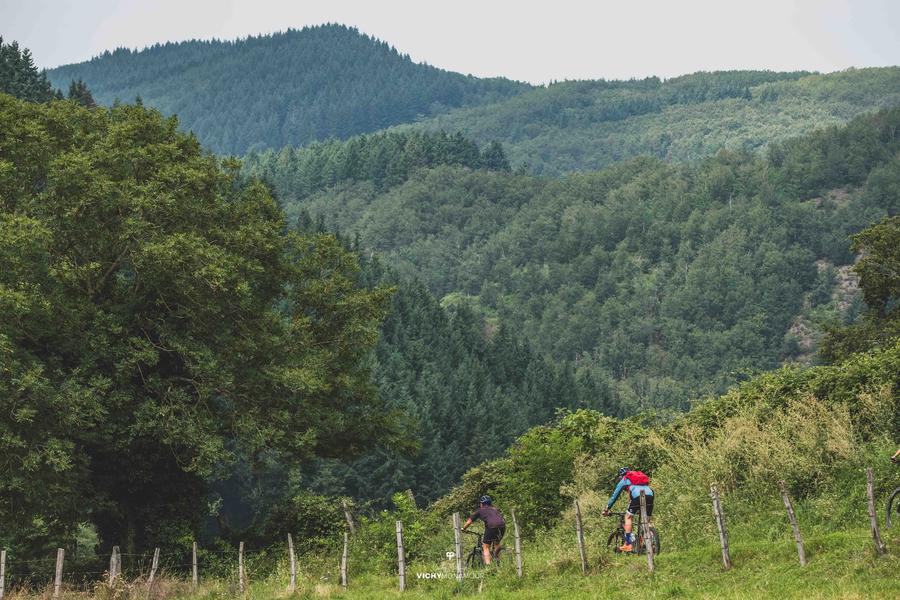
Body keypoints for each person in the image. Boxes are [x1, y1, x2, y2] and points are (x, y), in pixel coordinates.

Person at [602, 467, 654, 553]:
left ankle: (628, 544)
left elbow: (614, 496)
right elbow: (631, 498)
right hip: (650, 495)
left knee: (628, 517)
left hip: (638, 497)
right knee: (647, 522)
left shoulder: (625, 479)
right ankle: (651, 541)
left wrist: (607, 509)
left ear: (621, 476)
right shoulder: (638, 479)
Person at [462, 495, 506, 564]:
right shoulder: (495, 509)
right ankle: (498, 563)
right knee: (496, 543)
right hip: (502, 526)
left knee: (485, 547)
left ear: (481, 504)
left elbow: (469, 522)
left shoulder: (479, 510)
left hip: (492, 527)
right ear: (490, 503)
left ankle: (489, 566)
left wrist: (463, 528)